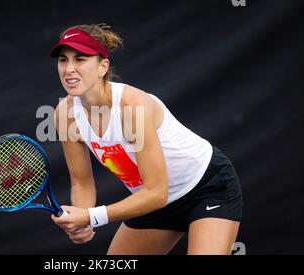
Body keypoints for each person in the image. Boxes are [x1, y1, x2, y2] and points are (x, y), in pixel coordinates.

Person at [50, 23, 243, 255]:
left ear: (102, 67)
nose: (69, 68)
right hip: (151, 202)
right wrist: (82, 219)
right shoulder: (65, 114)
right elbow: (81, 182)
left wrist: (93, 216)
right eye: (63, 60)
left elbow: (157, 193)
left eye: (80, 59)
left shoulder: (132, 107)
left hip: (206, 188)